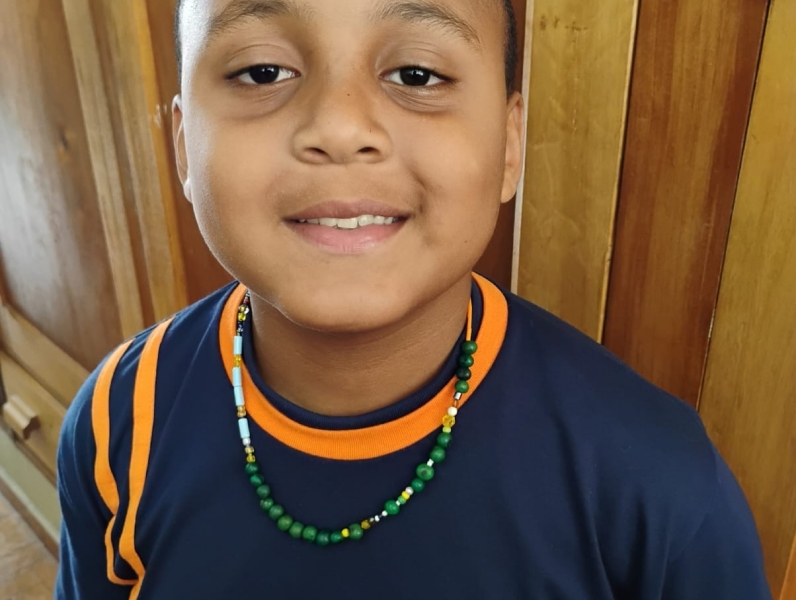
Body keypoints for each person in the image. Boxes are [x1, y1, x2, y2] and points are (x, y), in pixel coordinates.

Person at [55, 0, 773, 598]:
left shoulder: (659, 489)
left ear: (509, 145)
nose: (340, 129)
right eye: (262, 71)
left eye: (416, 74)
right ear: (184, 145)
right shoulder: (119, 419)